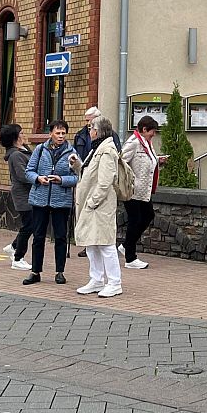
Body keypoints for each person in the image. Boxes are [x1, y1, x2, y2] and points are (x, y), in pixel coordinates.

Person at [23, 120, 79, 285]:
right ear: (50, 134)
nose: (60, 136)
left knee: (60, 237)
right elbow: (29, 172)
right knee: (38, 236)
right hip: (40, 199)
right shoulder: (40, 150)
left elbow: (77, 176)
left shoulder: (72, 153)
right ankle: (35, 271)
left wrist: (61, 179)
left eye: (63, 133)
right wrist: (38, 178)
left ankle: (59, 272)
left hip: (61, 201)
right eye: (57, 133)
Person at [73, 116, 123, 297]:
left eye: (91, 128)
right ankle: (96, 279)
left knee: (106, 244)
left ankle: (115, 282)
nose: (89, 132)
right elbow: (90, 174)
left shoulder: (107, 151)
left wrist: (92, 201)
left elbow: (105, 181)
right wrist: (77, 166)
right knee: (91, 243)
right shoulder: (97, 149)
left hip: (99, 205)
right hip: (93, 204)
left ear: (98, 131)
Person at [120, 115, 165, 269]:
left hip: (143, 190)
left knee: (148, 216)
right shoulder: (133, 143)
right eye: (152, 131)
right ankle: (130, 258)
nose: (154, 134)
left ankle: (126, 245)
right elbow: (121, 162)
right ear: (144, 129)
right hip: (133, 190)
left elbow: (148, 160)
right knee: (135, 220)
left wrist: (158, 160)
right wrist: (129, 180)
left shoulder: (147, 143)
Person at [0, 124, 35, 271]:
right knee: (29, 225)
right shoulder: (15, 155)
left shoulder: (24, 150)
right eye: (21, 132)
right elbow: (23, 175)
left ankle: (13, 247)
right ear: (15, 137)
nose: (24, 134)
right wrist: (39, 178)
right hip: (23, 195)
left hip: (30, 194)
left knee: (29, 225)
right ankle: (18, 258)